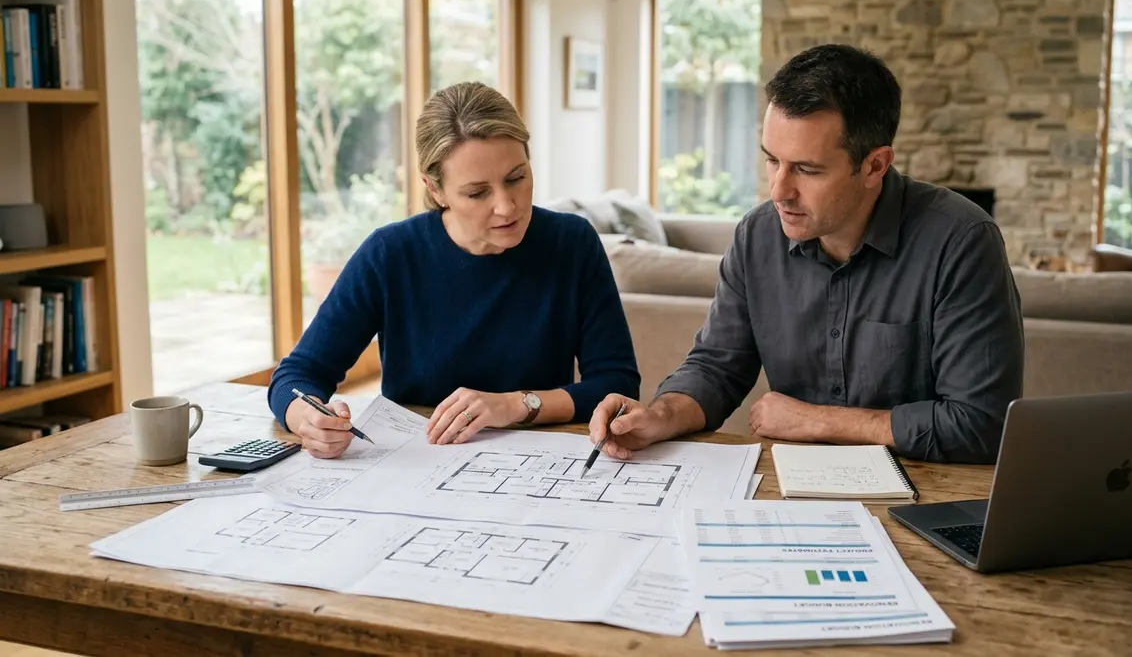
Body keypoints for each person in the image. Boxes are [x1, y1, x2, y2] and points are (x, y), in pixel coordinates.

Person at [588, 44, 1024, 465]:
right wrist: (659, 416)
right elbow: (717, 368)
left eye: (807, 170)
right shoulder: (757, 236)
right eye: (772, 161)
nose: (778, 191)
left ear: (875, 165)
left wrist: (819, 420)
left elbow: (982, 425)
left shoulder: (962, 241)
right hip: (795, 491)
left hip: (923, 497)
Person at [268, 81, 640, 458]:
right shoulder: (390, 253)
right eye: (478, 192)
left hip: (536, 463)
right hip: (416, 465)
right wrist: (309, 421)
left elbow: (617, 383)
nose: (507, 206)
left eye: (517, 178)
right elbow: (296, 376)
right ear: (436, 189)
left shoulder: (572, 243)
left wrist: (516, 404)